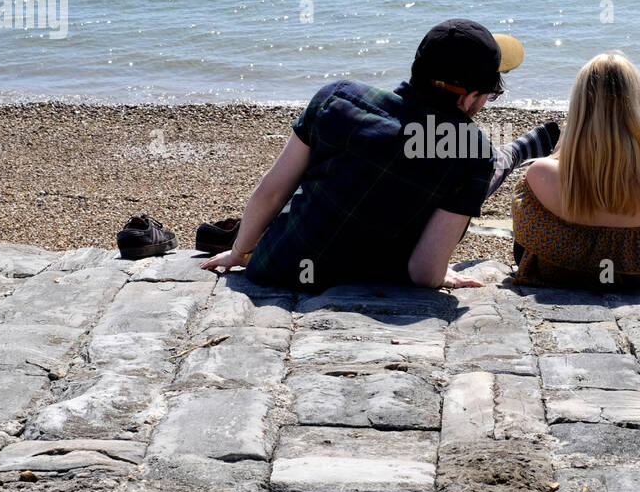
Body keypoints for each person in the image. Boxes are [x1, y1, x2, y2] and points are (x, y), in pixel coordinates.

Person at [201, 18, 558, 290]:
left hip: (277, 267)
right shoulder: (471, 151)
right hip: (371, 278)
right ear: (466, 97)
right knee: (481, 168)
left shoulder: (337, 98)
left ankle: (515, 152)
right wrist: (443, 275)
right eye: (489, 94)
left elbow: (273, 189)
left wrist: (241, 251)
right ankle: (515, 153)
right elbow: (424, 273)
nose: (486, 103)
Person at [511, 52, 640, 290]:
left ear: (579, 108)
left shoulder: (541, 173)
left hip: (553, 280)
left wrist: (561, 151)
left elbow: (523, 235)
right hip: (634, 285)